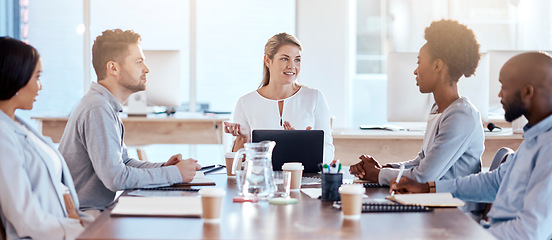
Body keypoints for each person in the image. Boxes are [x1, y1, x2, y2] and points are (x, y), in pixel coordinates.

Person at [391, 51, 552, 240]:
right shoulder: (535, 139)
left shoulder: (548, 149)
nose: (499, 95)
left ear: (527, 92)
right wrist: (429, 188)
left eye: (504, 87)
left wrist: (470, 235)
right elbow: (494, 182)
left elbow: (529, 232)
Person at [59, 29, 201, 212]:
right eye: (139, 61)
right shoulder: (98, 109)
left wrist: (164, 167)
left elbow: (123, 162)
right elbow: (116, 178)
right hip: (88, 217)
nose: (147, 69)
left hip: (97, 211)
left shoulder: (104, 105)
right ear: (113, 68)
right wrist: (174, 174)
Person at [349, 20, 484, 192]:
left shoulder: (461, 116)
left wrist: (376, 174)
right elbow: (421, 161)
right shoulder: (440, 109)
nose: (415, 70)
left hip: (455, 212)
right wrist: (382, 168)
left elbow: (423, 177)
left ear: (437, 65)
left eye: (419, 62)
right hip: (434, 204)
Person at [0, 37, 92, 239]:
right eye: (37, 77)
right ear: (17, 77)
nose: (40, 87)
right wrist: (81, 232)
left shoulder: (18, 124)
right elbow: (27, 219)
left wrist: (86, 224)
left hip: (64, 228)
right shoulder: (2, 136)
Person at [224, 32, 335, 163]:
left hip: (303, 180)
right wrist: (243, 139)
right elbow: (237, 164)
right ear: (267, 60)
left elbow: (328, 154)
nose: (292, 66)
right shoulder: (246, 103)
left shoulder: (314, 98)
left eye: (297, 59)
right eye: (284, 59)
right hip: (262, 180)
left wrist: (303, 144)